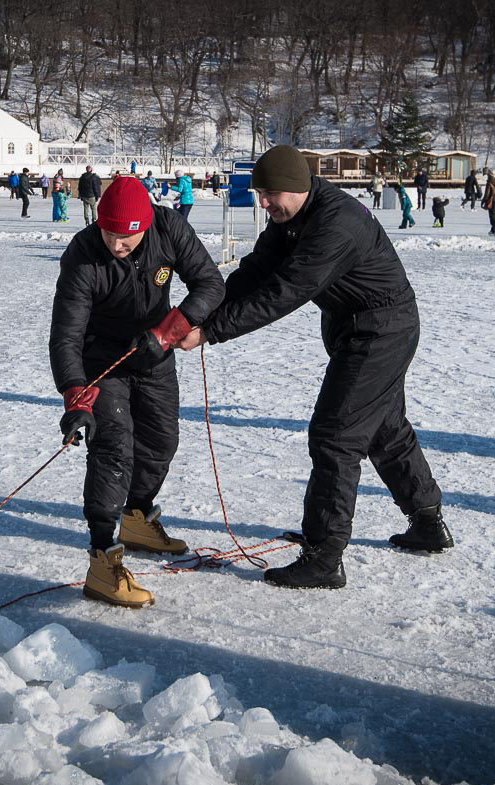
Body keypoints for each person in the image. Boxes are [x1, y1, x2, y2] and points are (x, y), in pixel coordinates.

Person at [177, 145, 452, 590]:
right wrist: (201, 311)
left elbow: (285, 291)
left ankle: (324, 556)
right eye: (260, 193)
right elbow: (256, 271)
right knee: (384, 428)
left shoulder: (335, 224)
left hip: (381, 331)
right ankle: (427, 521)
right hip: (357, 327)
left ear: (296, 187)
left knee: (335, 435)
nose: (263, 203)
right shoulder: (291, 217)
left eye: (269, 194)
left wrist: (211, 332)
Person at [49, 176, 225, 607]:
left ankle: (137, 516)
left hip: (154, 350)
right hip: (102, 359)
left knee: (162, 441)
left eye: (126, 236)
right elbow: (66, 334)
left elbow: (210, 284)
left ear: (145, 226)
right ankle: (101, 558)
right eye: (109, 233)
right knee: (114, 451)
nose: (117, 244)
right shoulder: (83, 254)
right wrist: (75, 395)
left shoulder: (169, 228)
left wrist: (168, 332)